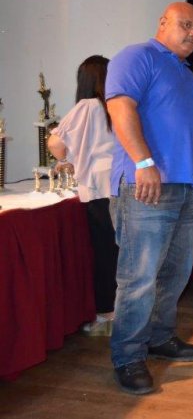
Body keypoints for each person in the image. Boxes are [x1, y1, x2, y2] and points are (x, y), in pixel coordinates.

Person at [106, 2, 193, 395]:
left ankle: (159, 337)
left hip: (183, 186)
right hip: (146, 186)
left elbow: (188, 130)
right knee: (139, 278)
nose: (192, 34)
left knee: (174, 272)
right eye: (185, 25)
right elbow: (120, 107)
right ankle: (128, 356)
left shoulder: (187, 76)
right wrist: (143, 161)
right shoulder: (137, 56)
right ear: (163, 23)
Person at [48, 55, 117, 336]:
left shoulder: (85, 107)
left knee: (104, 253)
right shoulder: (117, 105)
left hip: (97, 187)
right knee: (122, 251)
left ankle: (107, 315)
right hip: (122, 183)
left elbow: (56, 143)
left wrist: (67, 158)